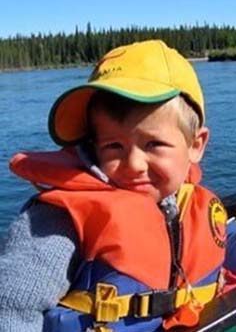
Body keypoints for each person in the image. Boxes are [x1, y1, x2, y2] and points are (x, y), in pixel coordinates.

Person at [0, 39, 236, 332]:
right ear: (93, 147)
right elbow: (10, 307)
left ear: (195, 145)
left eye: (154, 144)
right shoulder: (58, 220)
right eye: (114, 146)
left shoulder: (195, 204)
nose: (134, 164)